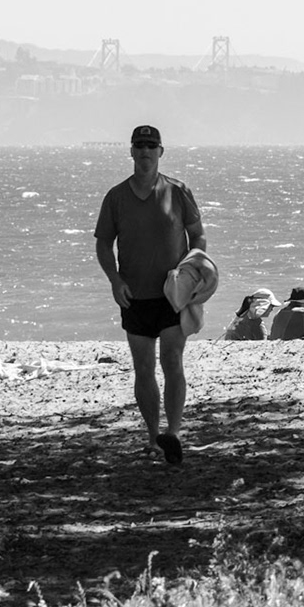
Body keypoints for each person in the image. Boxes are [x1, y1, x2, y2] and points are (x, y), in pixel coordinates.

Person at [95, 123, 207, 465]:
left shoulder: (177, 190)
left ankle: (172, 433)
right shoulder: (116, 197)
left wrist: (191, 272)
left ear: (161, 152)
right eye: (139, 146)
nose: (145, 151)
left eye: (151, 146)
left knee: (171, 361)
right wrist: (115, 280)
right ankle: (152, 436)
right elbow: (103, 242)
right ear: (131, 151)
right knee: (143, 368)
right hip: (134, 296)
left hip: (172, 296)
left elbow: (197, 236)